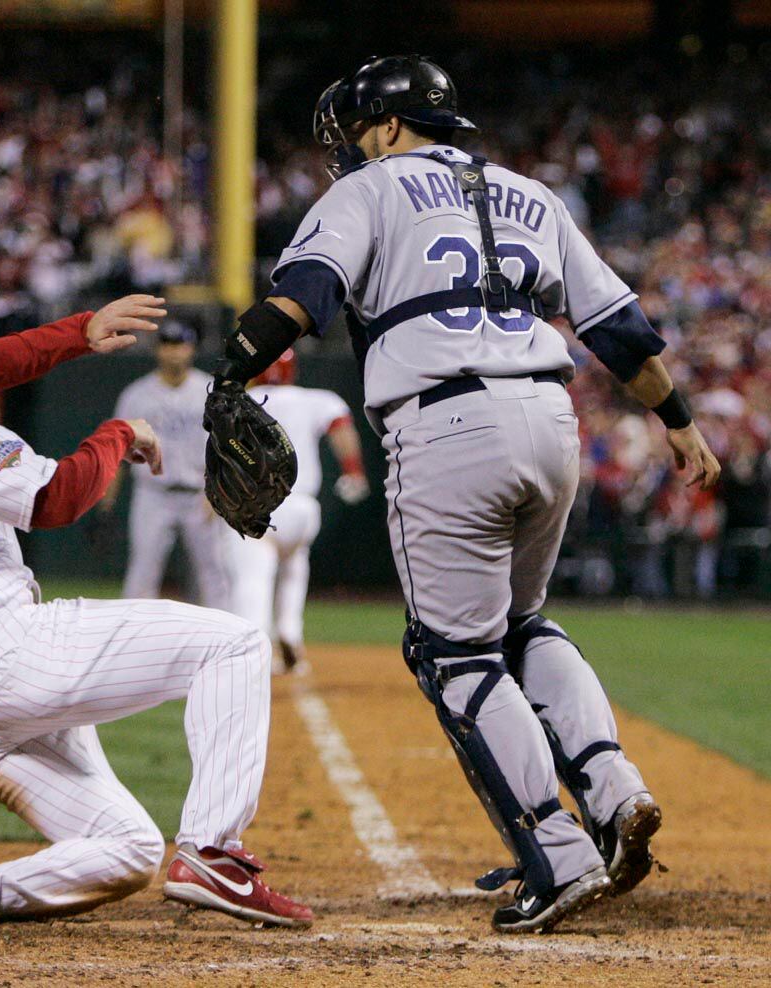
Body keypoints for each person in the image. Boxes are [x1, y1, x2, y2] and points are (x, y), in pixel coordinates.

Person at [203, 55, 720, 933]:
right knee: (523, 625)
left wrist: (230, 375)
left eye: (363, 130)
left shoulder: (368, 191)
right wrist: (677, 417)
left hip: (447, 426)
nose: (355, 148)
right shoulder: (531, 193)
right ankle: (614, 791)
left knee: (454, 655)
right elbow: (618, 328)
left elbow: (304, 297)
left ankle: (556, 857)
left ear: (394, 126)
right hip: (551, 422)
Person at [0, 289, 312, 929]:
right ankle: (216, 850)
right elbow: (56, 498)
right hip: (10, 658)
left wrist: (79, 331)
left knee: (127, 850)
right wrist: (118, 434)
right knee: (235, 643)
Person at [225, 349, 369, 672]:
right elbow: (341, 428)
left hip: (259, 504)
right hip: (303, 507)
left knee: (253, 580)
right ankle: (290, 632)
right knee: (294, 566)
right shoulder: (318, 399)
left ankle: (251, 652)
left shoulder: (240, 400)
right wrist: (353, 470)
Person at [105, 319, 231, 608]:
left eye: (180, 345)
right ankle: (133, 641)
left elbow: (226, 447)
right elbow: (118, 454)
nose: (174, 352)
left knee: (214, 572)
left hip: (201, 492)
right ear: (158, 350)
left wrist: (219, 491)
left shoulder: (208, 390)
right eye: (167, 345)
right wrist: (106, 505)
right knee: (142, 573)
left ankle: (223, 641)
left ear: (191, 349)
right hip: (153, 494)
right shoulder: (136, 395)